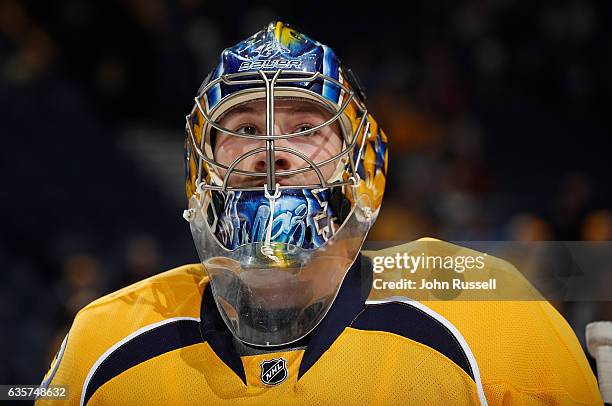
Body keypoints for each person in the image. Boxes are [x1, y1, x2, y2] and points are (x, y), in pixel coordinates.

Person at [37, 21, 602, 405]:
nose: (273, 150)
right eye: (242, 130)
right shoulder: (105, 342)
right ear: (200, 169)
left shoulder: (484, 312)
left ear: (362, 160)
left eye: (306, 126)